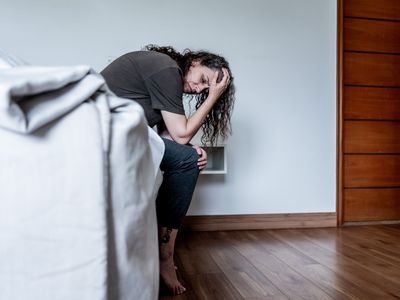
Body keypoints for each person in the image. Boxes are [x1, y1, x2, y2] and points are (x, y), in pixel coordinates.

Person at [100, 45, 235, 295]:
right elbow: (180, 134)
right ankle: (165, 256)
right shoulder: (166, 69)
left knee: (187, 157)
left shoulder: (165, 71)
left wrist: (192, 148)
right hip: (105, 133)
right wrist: (214, 96)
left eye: (205, 90)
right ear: (194, 62)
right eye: (203, 81)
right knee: (186, 160)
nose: (200, 89)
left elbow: (170, 135)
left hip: (115, 133)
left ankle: (160, 252)